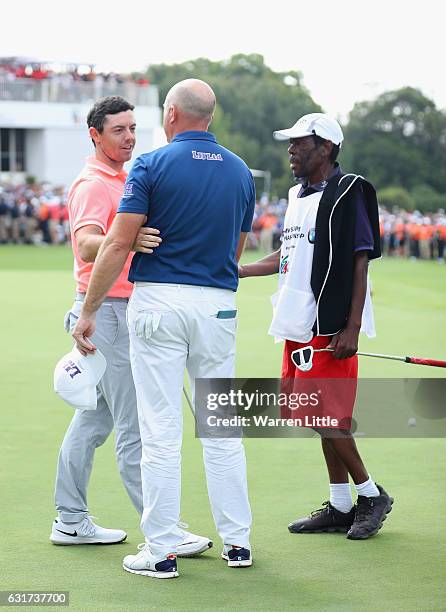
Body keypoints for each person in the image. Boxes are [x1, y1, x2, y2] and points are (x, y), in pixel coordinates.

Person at [72, 79, 254, 579]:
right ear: (209, 118)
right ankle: (238, 544)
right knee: (222, 430)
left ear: (171, 114)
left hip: (159, 304)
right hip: (217, 304)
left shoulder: (150, 165)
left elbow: (115, 245)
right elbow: (235, 251)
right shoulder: (240, 171)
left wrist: (87, 310)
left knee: (159, 431)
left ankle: (162, 551)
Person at [51, 95, 212, 557]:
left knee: (93, 420)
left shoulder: (122, 177)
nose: (129, 137)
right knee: (132, 427)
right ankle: (164, 532)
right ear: (95, 135)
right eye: (118, 130)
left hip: (113, 309)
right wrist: (128, 238)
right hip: (108, 312)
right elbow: (85, 246)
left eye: (133, 128)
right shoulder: (93, 183)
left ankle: (70, 518)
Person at [239, 113, 393, 540]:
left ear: (325, 147)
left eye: (299, 143)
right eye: (289, 143)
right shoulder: (295, 195)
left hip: (330, 324)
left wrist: (353, 326)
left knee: (326, 415)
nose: (290, 150)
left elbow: (361, 260)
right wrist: (241, 270)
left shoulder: (351, 191)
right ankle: (342, 505)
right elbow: (287, 257)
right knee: (311, 411)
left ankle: (370, 494)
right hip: (296, 320)